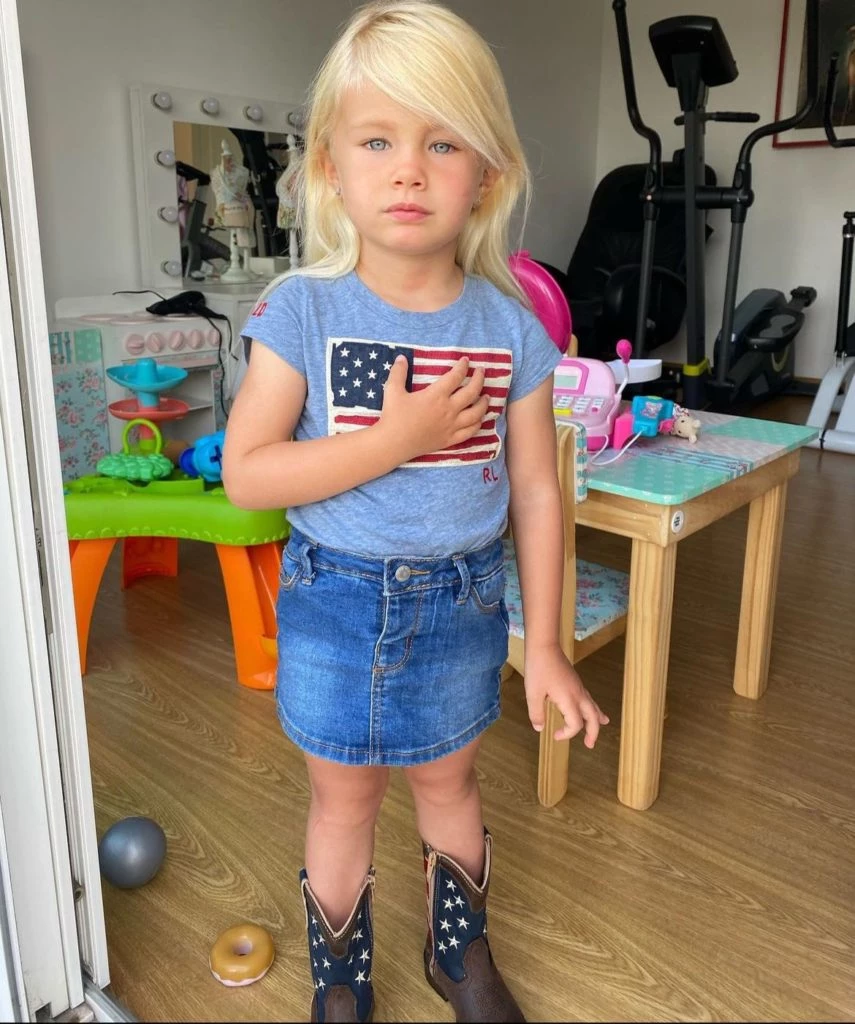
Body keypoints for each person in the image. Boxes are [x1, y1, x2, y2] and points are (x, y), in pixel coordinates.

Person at [222, 2, 608, 1021]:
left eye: (442, 143)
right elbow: (249, 475)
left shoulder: (511, 328)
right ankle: (340, 980)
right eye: (377, 141)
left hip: (461, 603)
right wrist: (394, 440)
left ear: (487, 173)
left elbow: (536, 489)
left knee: (450, 786)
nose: (408, 170)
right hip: (335, 602)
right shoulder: (301, 309)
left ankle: (457, 953)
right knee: (342, 797)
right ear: (330, 168)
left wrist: (547, 646)